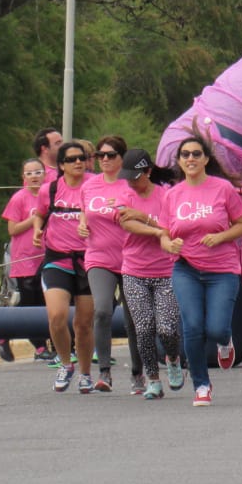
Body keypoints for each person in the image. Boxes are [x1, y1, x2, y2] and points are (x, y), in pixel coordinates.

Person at [160, 135, 242, 406]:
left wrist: (220, 237)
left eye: (196, 154)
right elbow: (163, 234)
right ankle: (201, 384)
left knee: (217, 328)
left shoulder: (222, 189)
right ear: (178, 161)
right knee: (193, 326)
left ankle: (226, 341)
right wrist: (170, 244)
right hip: (186, 269)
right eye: (185, 154)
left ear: (206, 159)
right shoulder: (172, 195)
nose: (190, 159)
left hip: (222, 270)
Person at [115, 149, 185, 399]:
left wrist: (146, 218)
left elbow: (174, 228)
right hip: (134, 270)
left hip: (166, 271)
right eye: (128, 176)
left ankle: (174, 359)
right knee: (143, 328)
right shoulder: (124, 194)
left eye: (137, 176)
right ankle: (153, 379)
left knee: (167, 329)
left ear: (148, 172)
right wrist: (157, 231)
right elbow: (126, 223)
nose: (132, 182)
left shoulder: (167, 196)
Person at [32, 142, 94, 393]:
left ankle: (86, 372)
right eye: (71, 159)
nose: (78, 163)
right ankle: (66, 363)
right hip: (57, 259)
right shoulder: (51, 189)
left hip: (90, 260)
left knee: (83, 324)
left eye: (82, 158)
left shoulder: (95, 185)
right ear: (61, 165)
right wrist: (38, 228)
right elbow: (40, 213)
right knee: (57, 317)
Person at [80, 135, 139, 393]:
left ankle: (139, 372)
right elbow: (86, 210)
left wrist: (128, 210)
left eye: (111, 155)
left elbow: (147, 214)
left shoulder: (131, 185)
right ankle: (104, 371)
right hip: (98, 257)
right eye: (100, 155)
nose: (104, 159)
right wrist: (83, 223)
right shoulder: (90, 186)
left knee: (134, 318)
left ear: (121, 158)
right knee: (102, 310)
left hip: (131, 258)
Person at [0, 159, 49, 361]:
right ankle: (39, 347)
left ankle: (5, 331)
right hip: (25, 259)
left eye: (38, 172)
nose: (34, 176)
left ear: (45, 174)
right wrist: (34, 219)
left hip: (48, 257)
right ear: (23, 177)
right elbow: (13, 229)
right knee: (30, 305)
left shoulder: (49, 196)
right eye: (29, 173)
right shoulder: (19, 198)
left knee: (46, 303)